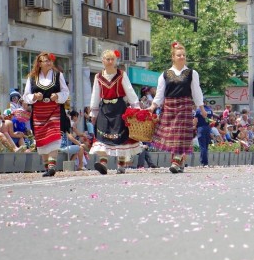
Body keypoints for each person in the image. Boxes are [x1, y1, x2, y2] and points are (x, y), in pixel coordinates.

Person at [148, 42, 208, 173]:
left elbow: (196, 91)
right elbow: (159, 93)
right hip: (169, 106)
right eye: (179, 55)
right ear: (173, 57)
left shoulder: (192, 73)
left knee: (180, 135)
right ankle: (179, 160)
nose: (182, 57)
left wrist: (201, 108)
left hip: (185, 105)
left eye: (184, 55)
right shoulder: (165, 74)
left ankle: (176, 161)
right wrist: (152, 107)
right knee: (172, 135)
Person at [89, 49, 143, 175]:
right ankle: (103, 163)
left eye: (112, 59)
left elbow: (130, 91)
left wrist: (136, 109)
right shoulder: (98, 76)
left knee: (121, 135)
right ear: (102, 61)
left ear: (115, 61)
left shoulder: (121, 74)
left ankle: (121, 164)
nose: (110, 61)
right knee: (102, 135)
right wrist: (94, 113)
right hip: (104, 109)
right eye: (107, 59)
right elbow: (95, 95)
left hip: (119, 108)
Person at [23, 52, 70, 177]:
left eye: (50, 61)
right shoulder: (32, 77)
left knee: (54, 136)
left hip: (54, 110)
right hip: (39, 112)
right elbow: (26, 96)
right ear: (39, 63)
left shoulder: (58, 75)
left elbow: (66, 92)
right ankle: (47, 167)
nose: (48, 63)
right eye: (45, 61)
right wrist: (34, 96)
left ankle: (52, 166)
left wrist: (58, 96)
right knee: (42, 139)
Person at [195, 98, 214, 167]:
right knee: (206, 146)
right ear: (206, 102)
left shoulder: (198, 110)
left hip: (200, 128)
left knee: (202, 146)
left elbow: (195, 120)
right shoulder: (210, 110)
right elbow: (211, 121)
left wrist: (194, 128)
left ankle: (203, 162)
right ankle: (206, 162)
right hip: (208, 128)